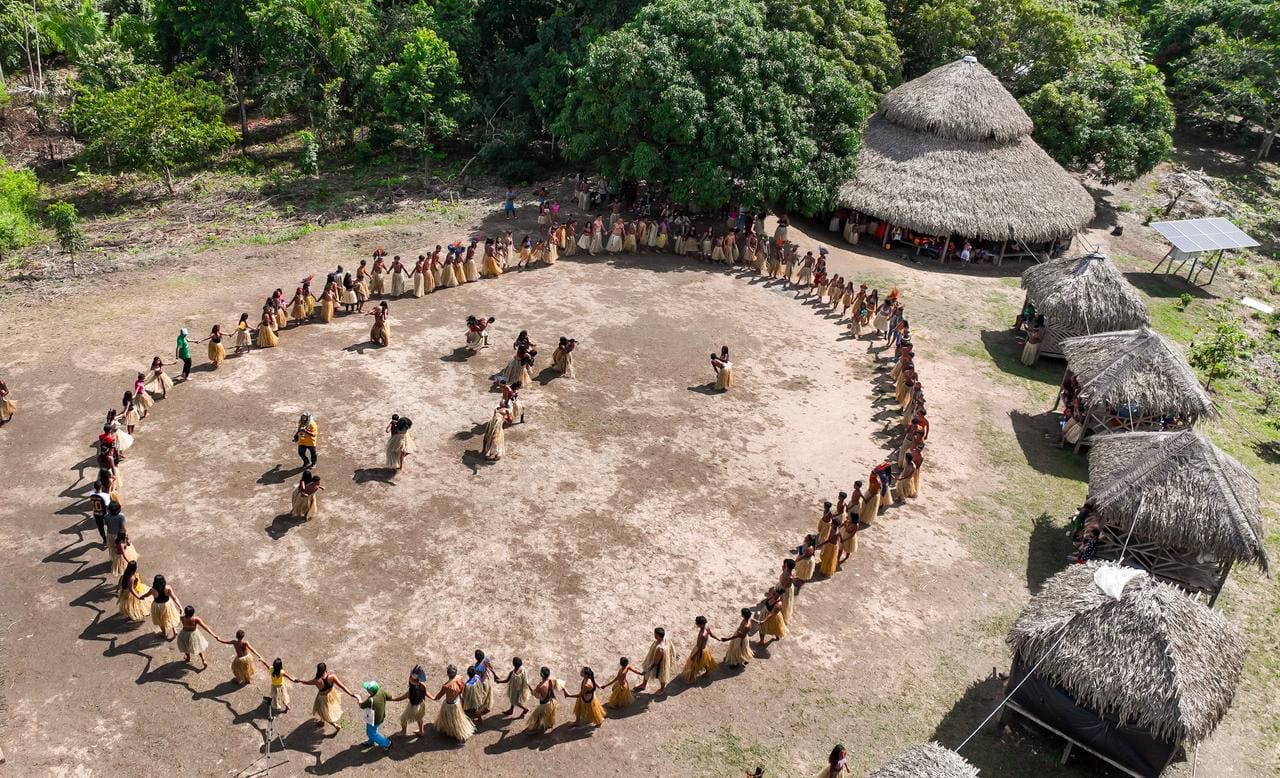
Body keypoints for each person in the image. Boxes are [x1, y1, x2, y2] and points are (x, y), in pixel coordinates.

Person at [297, 662, 359, 734]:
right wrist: (351, 694)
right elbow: (342, 686)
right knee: (326, 710)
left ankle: (336, 726)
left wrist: (300, 680)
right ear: (325, 669)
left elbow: (307, 682)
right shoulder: (332, 677)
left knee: (324, 713)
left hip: (323, 698)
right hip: (332, 694)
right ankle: (322, 721)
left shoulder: (317, 680)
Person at [430, 664, 475, 743]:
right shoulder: (459, 677)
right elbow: (462, 687)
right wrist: (459, 694)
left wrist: (433, 697)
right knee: (457, 720)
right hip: (457, 702)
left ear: (447, 674)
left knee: (451, 720)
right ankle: (458, 732)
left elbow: (439, 696)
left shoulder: (446, 686)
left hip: (449, 705)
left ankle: (457, 733)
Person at [132, 573, 181, 640]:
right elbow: (174, 598)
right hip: (167, 605)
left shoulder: (152, 590)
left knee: (160, 620)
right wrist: (180, 607)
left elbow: (147, 594)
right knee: (170, 616)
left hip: (157, 606)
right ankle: (174, 630)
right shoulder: (168, 588)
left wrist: (141, 597)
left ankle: (164, 633)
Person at [390, 665, 430, 737]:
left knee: (403, 719)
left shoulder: (411, 691)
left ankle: (403, 732)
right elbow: (426, 693)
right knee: (419, 718)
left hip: (414, 706)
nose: (410, 679)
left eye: (411, 678)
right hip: (421, 704)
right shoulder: (422, 685)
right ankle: (421, 731)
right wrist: (433, 697)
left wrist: (393, 699)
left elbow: (401, 698)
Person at [635, 627, 675, 695]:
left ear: (658, 636)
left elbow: (656, 663)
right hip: (654, 659)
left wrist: (647, 670)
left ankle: (662, 689)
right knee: (647, 668)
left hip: (660, 663)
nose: (654, 635)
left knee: (662, 676)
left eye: (655, 634)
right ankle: (643, 685)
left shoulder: (660, 648)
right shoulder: (665, 639)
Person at [680, 616, 720, 683]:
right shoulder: (707, 627)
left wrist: (694, 656)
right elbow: (711, 634)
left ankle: (691, 677)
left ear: (701, 624)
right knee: (705, 661)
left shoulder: (702, 635)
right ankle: (707, 672)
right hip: (705, 649)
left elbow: (700, 648)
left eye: (697, 623)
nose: (696, 623)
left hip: (699, 651)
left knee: (694, 663)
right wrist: (717, 638)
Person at [524, 667, 559, 735]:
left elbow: (535, 694)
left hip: (544, 705)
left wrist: (529, 687)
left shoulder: (540, 686)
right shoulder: (552, 680)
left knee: (537, 717)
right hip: (552, 701)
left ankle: (533, 730)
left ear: (541, 674)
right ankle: (549, 724)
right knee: (550, 714)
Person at [359, 680, 392, 750]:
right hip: (381, 717)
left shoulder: (370, 700)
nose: (367, 690)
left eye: (367, 689)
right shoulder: (381, 691)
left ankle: (386, 743)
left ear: (370, 692)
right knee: (373, 730)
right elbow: (390, 697)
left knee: (371, 733)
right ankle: (371, 742)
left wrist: (359, 698)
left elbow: (361, 706)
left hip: (373, 720)